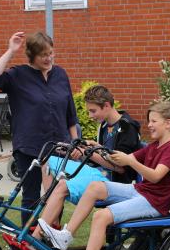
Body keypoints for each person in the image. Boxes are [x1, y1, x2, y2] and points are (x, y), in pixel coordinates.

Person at [39, 101, 170, 250]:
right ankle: (66, 236)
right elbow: (122, 157)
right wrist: (97, 148)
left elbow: (156, 176)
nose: (149, 125)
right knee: (95, 187)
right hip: (141, 192)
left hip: (154, 202)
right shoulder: (155, 146)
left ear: (168, 123)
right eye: (149, 121)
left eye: (153, 121)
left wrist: (131, 161)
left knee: (101, 217)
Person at [0, 31, 78, 226]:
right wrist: (11, 50)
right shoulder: (18, 75)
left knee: (56, 193)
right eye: (43, 55)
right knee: (31, 196)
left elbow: (70, 112)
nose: (49, 58)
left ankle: (51, 239)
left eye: (51, 53)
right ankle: (29, 242)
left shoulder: (60, 74)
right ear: (32, 56)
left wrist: (74, 142)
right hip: (29, 147)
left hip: (59, 147)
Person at [32, 84, 141, 240]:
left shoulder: (127, 128)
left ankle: (37, 237)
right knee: (47, 161)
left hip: (111, 181)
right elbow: (104, 153)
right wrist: (87, 148)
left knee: (62, 184)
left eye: (93, 111)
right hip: (98, 172)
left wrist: (88, 153)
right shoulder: (105, 125)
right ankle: (53, 221)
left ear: (107, 106)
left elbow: (121, 168)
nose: (90, 116)